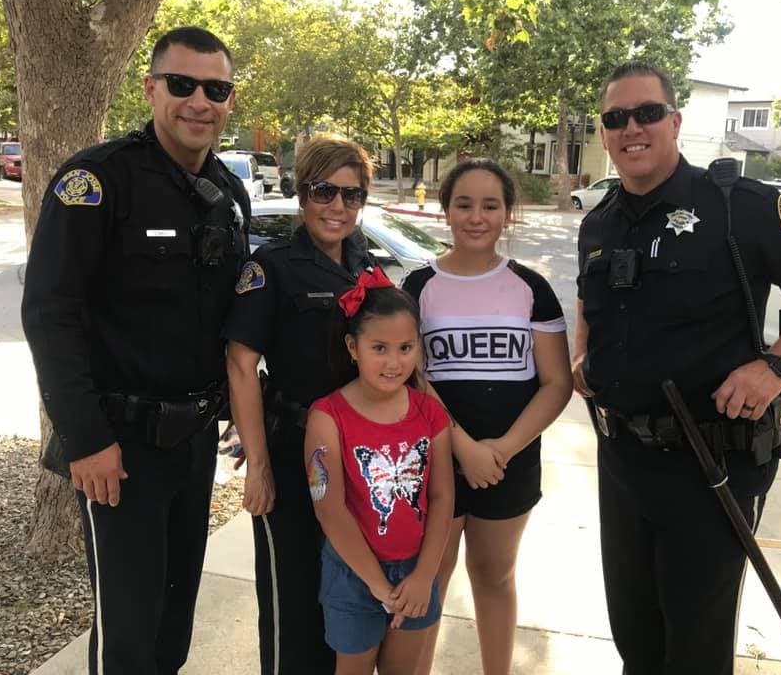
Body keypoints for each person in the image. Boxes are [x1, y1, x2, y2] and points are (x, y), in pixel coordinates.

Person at [573, 61, 781, 675]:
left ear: (675, 121)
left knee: (695, 645)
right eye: (616, 118)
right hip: (621, 459)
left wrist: (775, 367)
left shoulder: (739, 206)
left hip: (710, 465)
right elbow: (591, 300)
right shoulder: (599, 220)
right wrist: (582, 352)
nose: (632, 128)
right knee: (635, 633)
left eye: (647, 113)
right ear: (604, 133)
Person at [21, 26, 249, 674]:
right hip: (118, 449)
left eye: (216, 88)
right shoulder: (96, 181)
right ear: (151, 89)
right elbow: (49, 313)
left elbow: (232, 317)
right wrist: (86, 438)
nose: (199, 101)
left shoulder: (230, 196)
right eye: (182, 85)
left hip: (195, 441)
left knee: (172, 629)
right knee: (126, 638)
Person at [401, 158, 573, 675]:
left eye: (490, 205)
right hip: (437, 459)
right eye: (464, 204)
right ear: (445, 210)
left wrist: (500, 449)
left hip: (509, 462)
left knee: (494, 575)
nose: (477, 217)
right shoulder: (417, 286)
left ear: (507, 214)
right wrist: (464, 448)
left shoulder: (531, 288)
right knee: (430, 576)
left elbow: (556, 383)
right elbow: (411, 380)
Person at [223, 136, 376, 674]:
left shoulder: (365, 263)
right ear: (300, 192)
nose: (338, 206)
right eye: (324, 191)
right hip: (292, 454)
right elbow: (242, 365)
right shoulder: (272, 266)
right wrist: (258, 466)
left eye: (351, 195)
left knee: (348, 596)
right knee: (293, 602)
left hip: (359, 458)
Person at [305, 273, 454, 674]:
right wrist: (376, 584)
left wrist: (425, 575)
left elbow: (442, 498)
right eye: (379, 348)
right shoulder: (327, 417)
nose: (394, 362)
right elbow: (329, 509)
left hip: (416, 572)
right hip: (353, 576)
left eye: (406, 348)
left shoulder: (432, 414)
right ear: (353, 347)